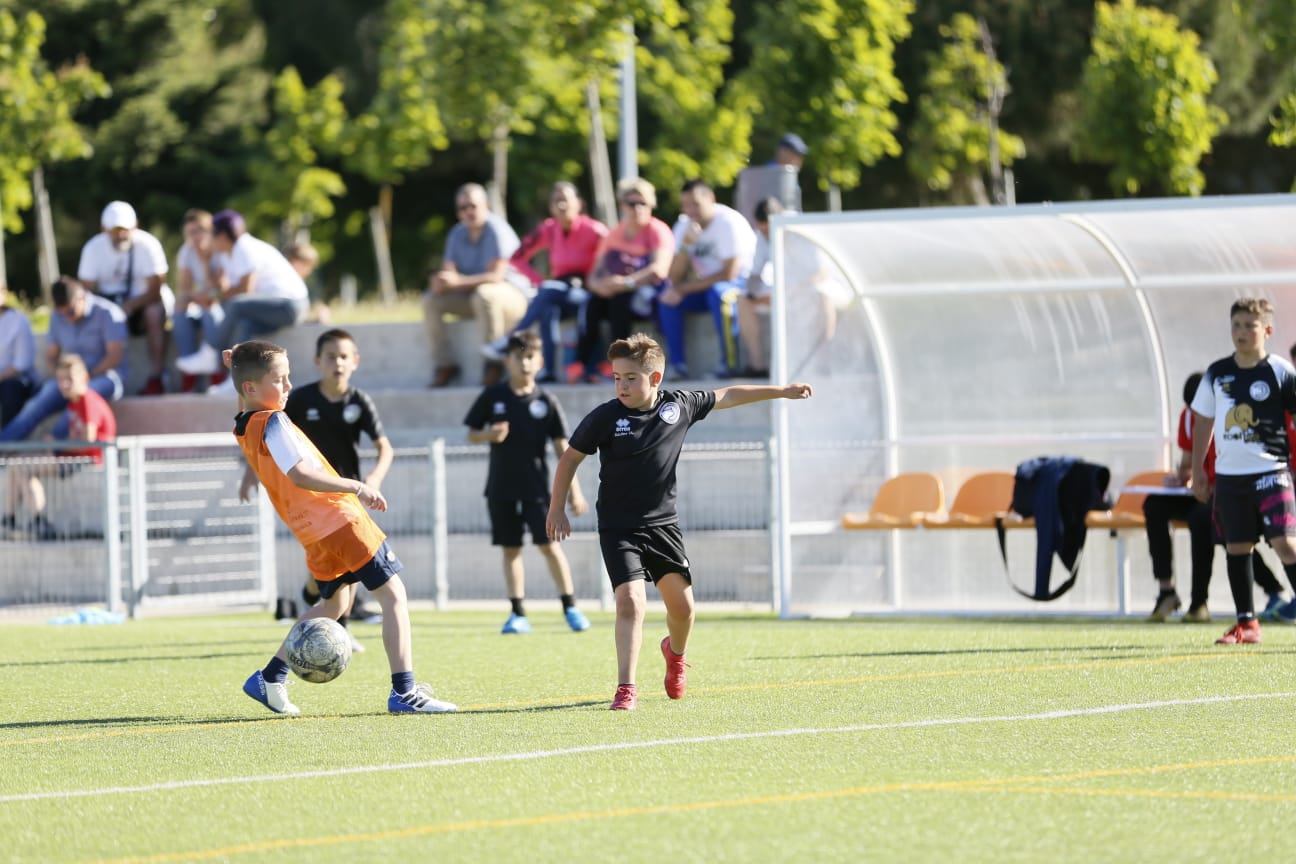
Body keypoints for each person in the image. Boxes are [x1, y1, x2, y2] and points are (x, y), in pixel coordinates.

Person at [546, 333, 812, 710]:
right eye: (617, 377)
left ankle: (675, 653)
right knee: (630, 603)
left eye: (631, 378)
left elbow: (729, 395)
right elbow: (570, 458)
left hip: (662, 527)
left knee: (684, 610)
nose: (621, 385)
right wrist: (557, 507)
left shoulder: (679, 406)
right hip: (618, 527)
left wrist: (781, 391)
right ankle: (626, 688)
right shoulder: (606, 417)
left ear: (654, 379)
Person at [229, 340, 457, 715]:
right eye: (280, 380)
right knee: (394, 594)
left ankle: (271, 677)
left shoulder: (245, 422)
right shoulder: (275, 421)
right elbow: (301, 474)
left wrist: (236, 368)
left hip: (312, 532)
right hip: (338, 519)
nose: (288, 387)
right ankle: (404, 692)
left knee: (335, 603)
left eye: (288, 378)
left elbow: (244, 391)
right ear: (252, 387)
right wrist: (356, 485)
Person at [465, 331, 591, 634]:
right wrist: (489, 435)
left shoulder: (546, 401)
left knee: (549, 547)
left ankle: (570, 607)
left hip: (537, 490)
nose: (524, 363)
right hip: (500, 489)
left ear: (540, 361)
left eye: (530, 357)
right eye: (519, 357)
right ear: (508, 360)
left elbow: (565, 449)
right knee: (511, 550)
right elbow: (471, 433)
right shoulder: (492, 396)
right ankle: (517, 612)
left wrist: (575, 493)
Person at [1190, 297, 1296, 644]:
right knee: (1238, 547)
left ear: (1266, 330)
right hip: (1230, 478)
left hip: (1272, 473)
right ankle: (1247, 624)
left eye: (1249, 325)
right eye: (1236, 325)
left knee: (1286, 545)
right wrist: (1198, 470)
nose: (1241, 332)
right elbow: (1203, 419)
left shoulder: (1281, 372)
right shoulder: (1217, 373)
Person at [1144, 371, 1287, 623]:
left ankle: (1200, 602)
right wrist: (1181, 477)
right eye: (1192, 410)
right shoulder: (1189, 418)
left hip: (1231, 492)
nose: (1196, 415)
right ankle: (1166, 591)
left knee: (1207, 521)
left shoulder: (1236, 419)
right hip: (1202, 492)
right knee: (1154, 505)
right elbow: (1187, 463)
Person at [284, 328, 394, 638]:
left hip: (348, 493)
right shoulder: (301, 400)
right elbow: (273, 439)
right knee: (335, 563)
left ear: (355, 361)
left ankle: (332, 626)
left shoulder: (359, 401)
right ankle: (323, 611)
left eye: (344, 356)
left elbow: (385, 447)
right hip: (310, 494)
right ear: (318, 361)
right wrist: (253, 474)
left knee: (344, 562)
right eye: (331, 357)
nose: (338, 363)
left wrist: (373, 479)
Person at [480, 182, 608, 382]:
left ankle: (511, 338)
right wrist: (538, 282)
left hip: (586, 290)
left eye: (565, 200)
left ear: (579, 203)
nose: (561, 205)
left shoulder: (595, 230)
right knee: (547, 306)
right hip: (558, 289)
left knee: (548, 293)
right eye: (556, 201)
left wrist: (596, 281)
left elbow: (609, 260)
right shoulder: (549, 228)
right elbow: (516, 258)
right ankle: (548, 370)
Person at [174, 210, 309, 380]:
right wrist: (214, 296)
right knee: (244, 324)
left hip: (290, 306)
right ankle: (235, 380)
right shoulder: (231, 253)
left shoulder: (244, 248)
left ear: (222, 235)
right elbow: (226, 291)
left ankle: (210, 352)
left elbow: (245, 291)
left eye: (211, 234)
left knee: (236, 305)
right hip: (279, 307)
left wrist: (214, 298)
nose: (209, 239)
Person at [423, 183, 530, 388]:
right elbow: (450, 273)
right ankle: (445, 365)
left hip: (513, 295)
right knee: (431, 300)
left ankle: (494, 364)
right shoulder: (456, 233)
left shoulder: (496, 230)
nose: (468, 212)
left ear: (486, 205)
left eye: (473, 206)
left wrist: (456, 281)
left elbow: (496, 276)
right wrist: (441, 283)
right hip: (474, 295)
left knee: (485, 295)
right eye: (463, 208)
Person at [3, 354, 116, 540]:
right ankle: (8, 519)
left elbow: (88, 441)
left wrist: (58, 448)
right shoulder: (74, 403)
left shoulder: (88, 401)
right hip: (72, 456)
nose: (64, 385)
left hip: (87, 459)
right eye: (61, 380)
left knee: (22, 466)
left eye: (69, 380)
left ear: (85, 379)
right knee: (17, 462)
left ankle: (39, 520)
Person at [0, 277, 126, 443]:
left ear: (82, 297)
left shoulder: (107, 313)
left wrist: (82, 378)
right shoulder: (57, 316)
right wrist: (61, 377)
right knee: (37, 404)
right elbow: (51, 357)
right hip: (70, 377)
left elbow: (114, 357)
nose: (67, 318)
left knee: (80, 401)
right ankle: (4, 445)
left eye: (71, 312)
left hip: (104, 377)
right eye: (62, 313)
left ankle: (54, 443)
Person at [578, 178, 675, 384]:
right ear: (623, 205)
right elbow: (595, 273)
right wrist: (600, 286)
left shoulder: (658, 230)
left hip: (647, 294)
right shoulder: (615, 233)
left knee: (618, 302)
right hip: (617, 291)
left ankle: (616, 362)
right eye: (632, 203)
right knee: (594, 304)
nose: (638, 208)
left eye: (643, 203)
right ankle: (583, 364)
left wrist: (626, 283)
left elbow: (660, 269)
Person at [661, 179, 757, 379]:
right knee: (667, 299)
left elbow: (729, 274)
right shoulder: (684, 225)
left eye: (695, 204)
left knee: (720, 294)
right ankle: (678, 365)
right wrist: (686, 246)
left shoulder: (728, 222)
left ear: (711, 199)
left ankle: (729, 365)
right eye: (686, 205)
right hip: (707, 285)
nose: (690, 210)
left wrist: (684, 288)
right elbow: (673, 276)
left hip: (742, 283)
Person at [76, 201, 173, 395]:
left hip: (141, 304)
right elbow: (87, 291)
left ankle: (157, 374)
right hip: (106, 305)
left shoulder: (148, 245)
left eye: (124, 230)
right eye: (115, 230)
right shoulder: (93, 249)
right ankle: (90, 374)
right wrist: (110, 310)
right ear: (104, 229)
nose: (120, 235)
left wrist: (127, 307)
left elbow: (155, 290)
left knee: (154, 312)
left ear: (135, 226)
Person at [172, 209, 227, 393]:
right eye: (190, 233)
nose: (195, 237)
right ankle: (189, 373)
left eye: (199, 231)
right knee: (179, 308)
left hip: (223, 306)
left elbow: (221, 289)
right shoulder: (186, 252)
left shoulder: (221, 249)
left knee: (209, 308)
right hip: (203, 302)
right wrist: (197, 297)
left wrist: (204, 262)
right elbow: (185, 287)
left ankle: (216, 372)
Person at [0, 281, 37, 425]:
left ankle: (7, 443)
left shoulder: (18, 320)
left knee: (11, 389)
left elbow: (22, 363)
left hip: (16, 380)